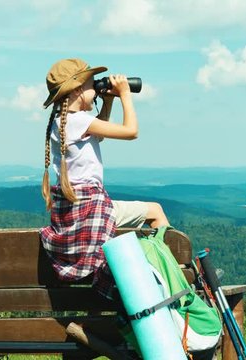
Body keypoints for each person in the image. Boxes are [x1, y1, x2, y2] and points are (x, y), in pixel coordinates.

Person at [38, 58, 169, 298]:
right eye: (91, 84)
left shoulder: (62, 122)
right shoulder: (79, 121)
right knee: (156, 211)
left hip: (75, 213)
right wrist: (125, 94)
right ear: (78, 90)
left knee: (150, 211)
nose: (95, 88)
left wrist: (107, 103)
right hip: (91, 212)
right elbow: (131, 131)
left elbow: (99, 134)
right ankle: (169, 276)